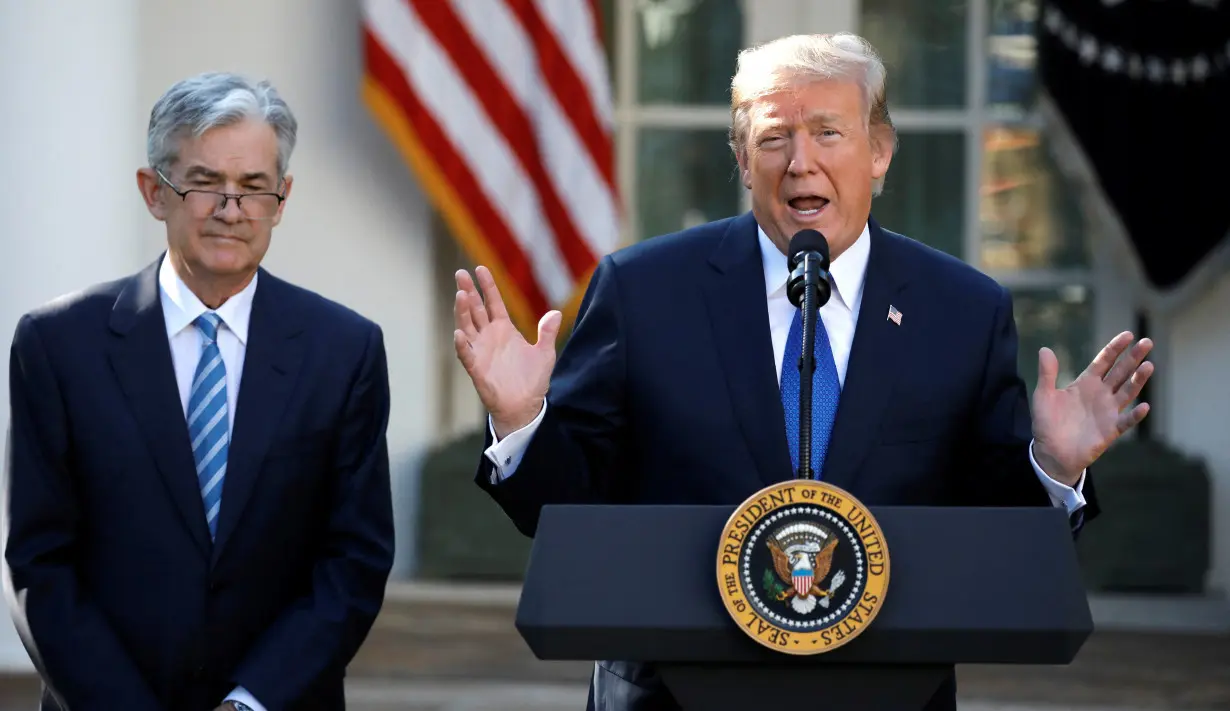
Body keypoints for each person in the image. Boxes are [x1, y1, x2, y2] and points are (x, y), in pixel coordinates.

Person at [452, 33, 1155, 711]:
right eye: (772, 137)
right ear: (740, 154)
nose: (799, 162)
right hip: (672, 694)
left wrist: (1054, 467)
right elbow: (566, 508)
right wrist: (522, 422)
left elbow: (994, 535)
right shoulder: (644, 291)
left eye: (827, 132)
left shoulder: (961, 309)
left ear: (879, 151)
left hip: (889, 694)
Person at [3, 72, 395, 711]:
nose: (230, 210)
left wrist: (250, 703)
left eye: (253, 188)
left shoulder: (344, 350)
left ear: (282, 198)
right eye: (204, 184)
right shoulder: (58, 345)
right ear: (154, 192)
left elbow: (353, 561)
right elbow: (38, 563)